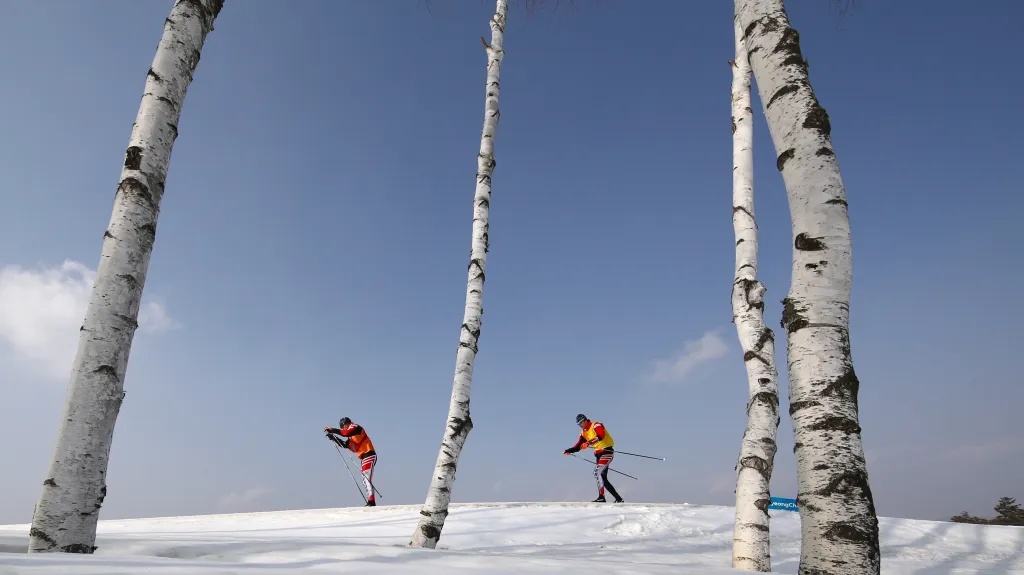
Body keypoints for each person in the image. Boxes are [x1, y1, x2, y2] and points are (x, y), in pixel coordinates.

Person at [563, 413, 624, 503]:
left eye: (581, 423)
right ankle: (619, 499)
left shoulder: (596, 425)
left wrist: (588, 443)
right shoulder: (584, 432)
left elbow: (601, 435)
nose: (580, 425)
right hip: (598, 455)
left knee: (597, 472)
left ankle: (601, 497)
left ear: (585, 420)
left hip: (607, 451)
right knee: (603, 478)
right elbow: (577, 446)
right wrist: (568, 451)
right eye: (578, 424)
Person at [325, 417, 378, 507]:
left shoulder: (355, 427)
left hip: (369, 453)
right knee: (365, 477)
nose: (343, 429)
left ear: (345, 424)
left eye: (342, 427)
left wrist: (333, 430)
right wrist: (334, 438)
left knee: (366, 477)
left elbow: (346, 433)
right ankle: (370, 500)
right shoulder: (352, 436)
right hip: (364, 456)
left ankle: (371, 501)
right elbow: (345, 444)